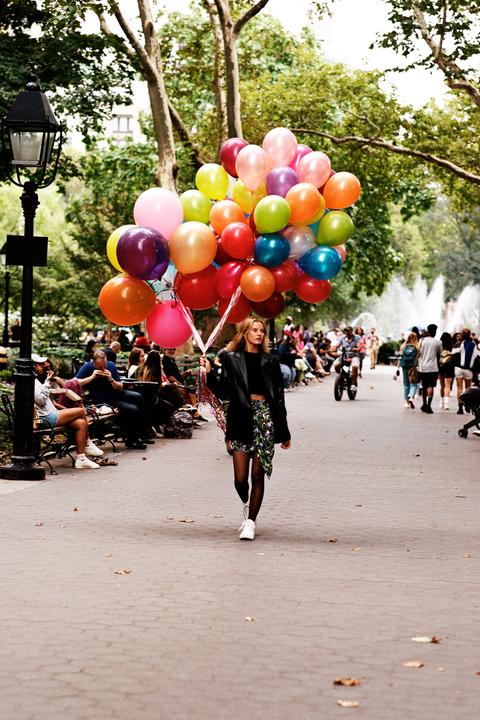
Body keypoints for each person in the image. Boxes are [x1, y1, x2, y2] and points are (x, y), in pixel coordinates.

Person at [201, 318, 291, 541]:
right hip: (240, 418)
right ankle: (247, 504)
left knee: (257, 474)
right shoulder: (232, 359)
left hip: (265, 417)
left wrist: (284, 431)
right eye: (255, 330)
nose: (259, 334)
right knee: (240, 479)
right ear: (245, 333)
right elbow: (223, 390)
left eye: (262, 331)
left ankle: (251, 522)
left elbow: (278, 398)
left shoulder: (271, 360)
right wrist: (209, 372)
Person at [32, 354, 102, 469]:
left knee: (81, 423)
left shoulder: (39, 381)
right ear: (33, 366)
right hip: (46, 419)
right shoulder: (31, 382)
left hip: (52, 415)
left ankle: (81, 459)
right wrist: (47, 382)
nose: (44, 367)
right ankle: (88, 443)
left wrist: (67, 411)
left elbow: (51, 403)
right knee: (80, 411)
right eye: (40, 365)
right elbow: (40, 400)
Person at [75, 350, 151, 449]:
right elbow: (75, 382)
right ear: (94, 363)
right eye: (99, 366)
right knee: (133, 409)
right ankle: (133, 439)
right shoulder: (87, 367)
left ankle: (143, 432)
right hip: (104, 400)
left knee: (138, 396)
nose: (102, 368)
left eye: (104, 365)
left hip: (117, 394)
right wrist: (92, 377)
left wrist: (111, 379)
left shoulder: (110, 365)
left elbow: (119, 387)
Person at [417, 323, 442, 414]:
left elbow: (419, 353)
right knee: (431, 386)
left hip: (423, 367)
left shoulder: (421, 341)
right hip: (433, 368)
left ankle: (424, 404)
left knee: (424, 386)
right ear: (435, 332)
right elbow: (441, 353)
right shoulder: (438, 342)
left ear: (428, 331)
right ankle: (429, 406)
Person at [454, 328, 478, 414]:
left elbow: (455, 354)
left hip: (459, 368)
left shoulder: (459, 343)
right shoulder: (473, 345)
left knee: (459, 388)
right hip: (469, 370)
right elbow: (476, 356)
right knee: (468, 389)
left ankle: (460, 408)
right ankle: (467, 405)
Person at [397, 332, 420, 408]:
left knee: (406, 385)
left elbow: (400, 357)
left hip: (405, 367)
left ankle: (406, 402)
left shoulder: (403, 346)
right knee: (413, 384)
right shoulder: (417, 347)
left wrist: (398, 367)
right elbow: (419, 357)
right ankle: (411, 396)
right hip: (413, 367)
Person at [438, 332, 455, 410]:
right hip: (450, 367)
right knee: (448, 386)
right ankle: (446, 404)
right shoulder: (452, 346)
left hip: (441, 367)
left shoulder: (440, 346)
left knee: (442, 386)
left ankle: (441, 402)